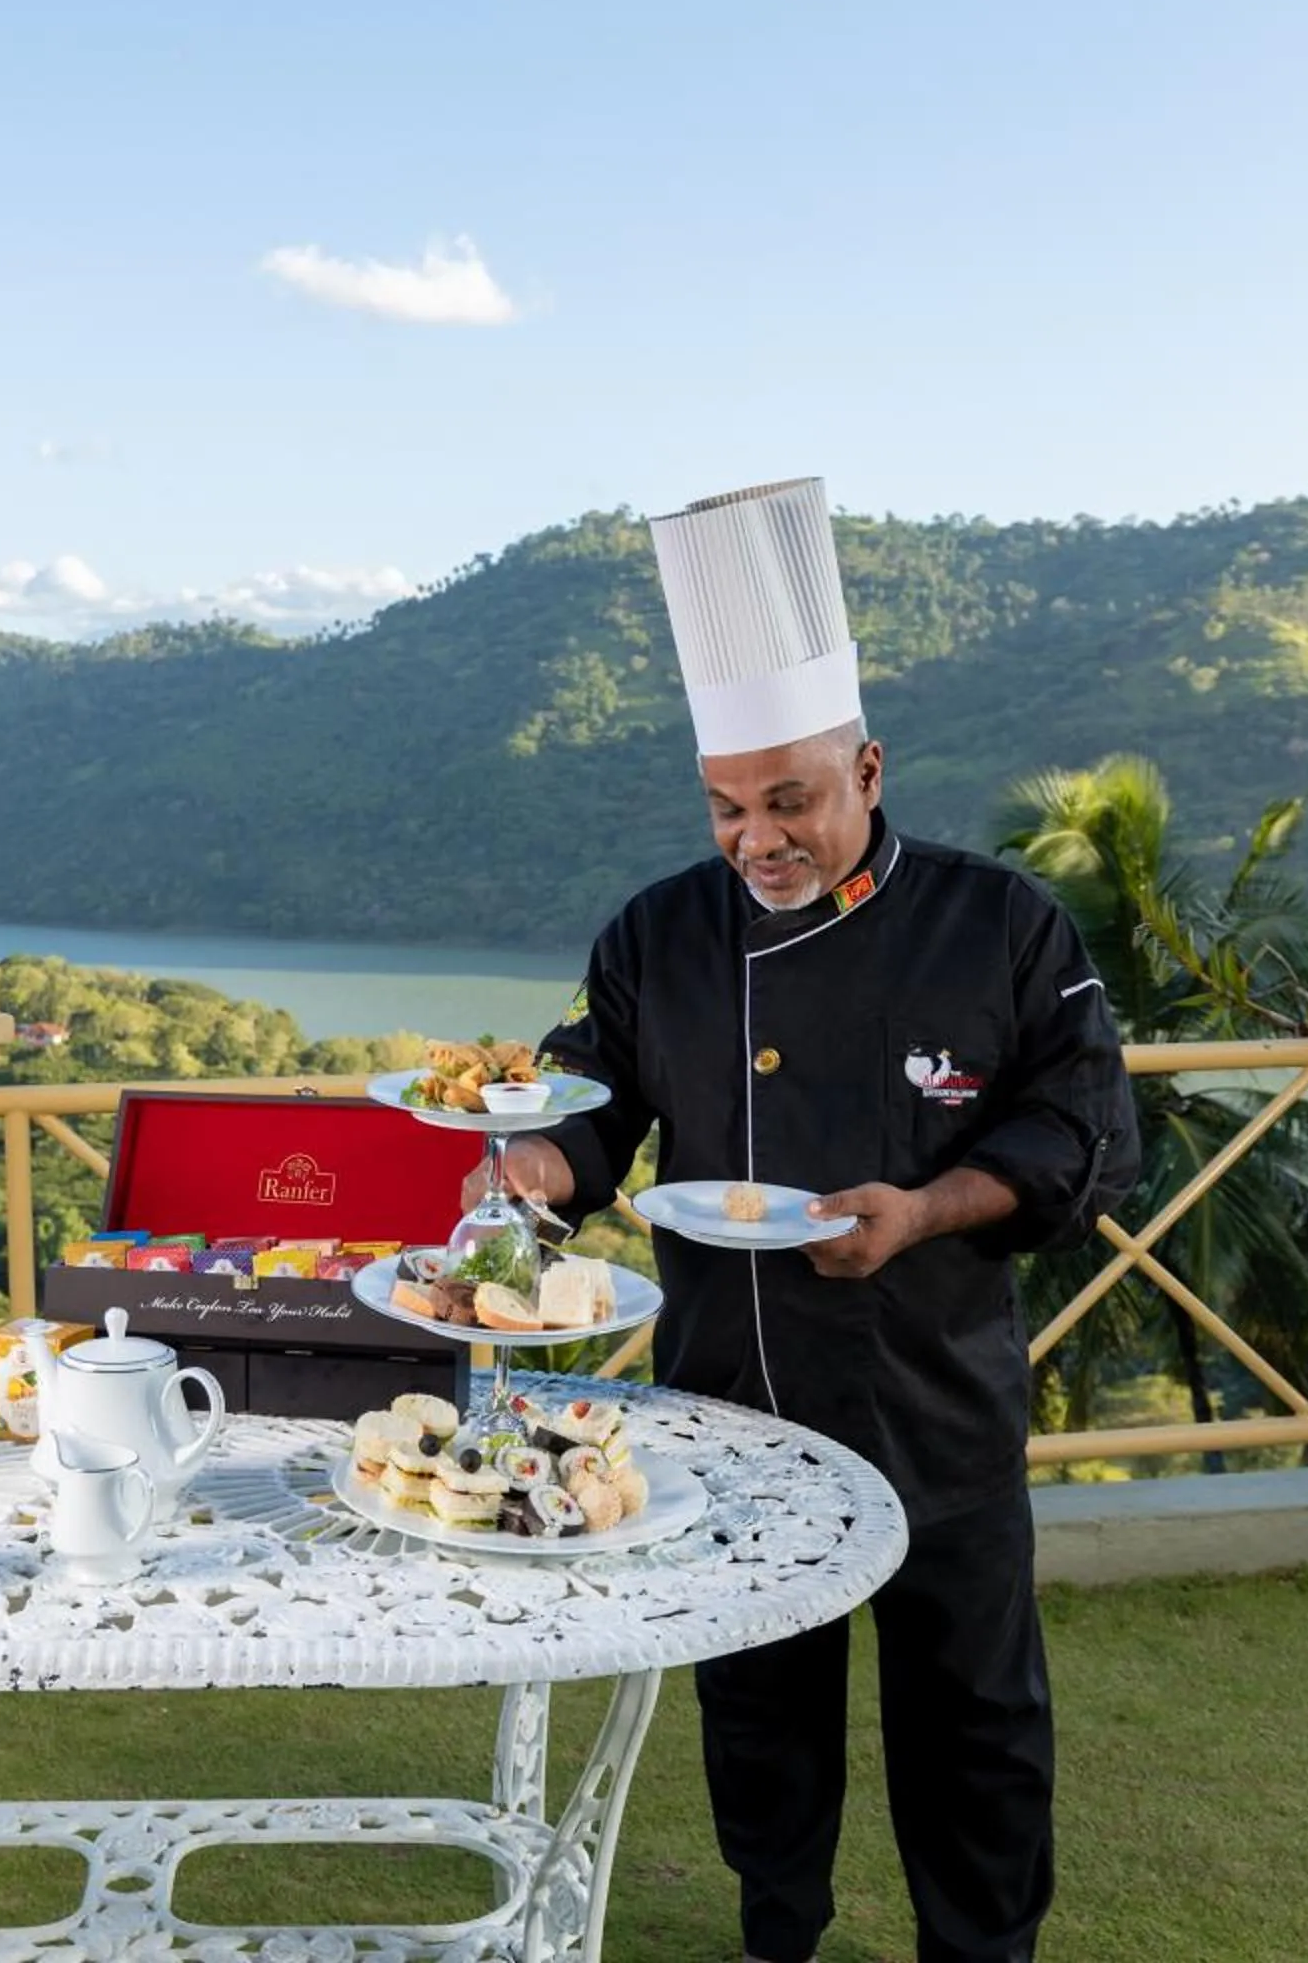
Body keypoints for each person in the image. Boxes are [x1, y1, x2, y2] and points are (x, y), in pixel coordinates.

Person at [478, 478, 1141, 1963]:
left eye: (790, 800)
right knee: (760, 1719)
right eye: (727, 807)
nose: (756, 839)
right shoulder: (660, 933)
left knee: (971, 1718)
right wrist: (533, 1168)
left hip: (936, 1398)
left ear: (869, 769)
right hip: (731, 1401)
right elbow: (594, 1101)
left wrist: (920, 1209)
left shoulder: (1003, 926)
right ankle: (778, 1934)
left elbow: (1084, 1129)